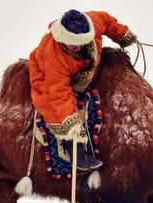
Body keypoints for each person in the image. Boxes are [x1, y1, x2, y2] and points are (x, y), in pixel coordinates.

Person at [28, 9, 136, 171]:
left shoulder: (94, 22)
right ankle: (76, 153)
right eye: (71, 41)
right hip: (46, 74)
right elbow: (59, 93)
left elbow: (107, 21)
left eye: (79, 41)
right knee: (51, 107)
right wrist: (71, 124)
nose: (75, 45)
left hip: (80, 70)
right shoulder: (54, 56)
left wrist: (122, 34)